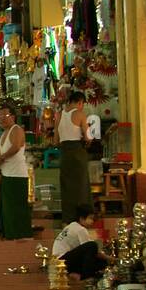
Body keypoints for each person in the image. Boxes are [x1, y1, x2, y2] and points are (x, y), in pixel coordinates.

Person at [0, 102, 32, 240]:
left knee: (17, 206)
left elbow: (15, 147)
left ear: (13, 117)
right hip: (6, 173)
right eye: (0, 115)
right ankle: (8, 233)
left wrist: (1, 158)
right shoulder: (4, 134)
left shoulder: (17, 130)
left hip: (17, 175)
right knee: (7, 208)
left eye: (5, 115)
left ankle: (20, 234)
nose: (2, 118)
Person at [58, 89, 92, 224]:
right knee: (81, 185)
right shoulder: (80, 114)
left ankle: (67, 218)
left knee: (67, 186)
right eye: (82, 103)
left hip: (65, 153)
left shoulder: (59, 115)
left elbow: (55, 140)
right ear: (79, 102)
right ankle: (83, 217)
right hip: (78, 152)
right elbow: (88, 137)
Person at [53, 204, 107, 279]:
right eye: (90, 218)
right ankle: (85, 277)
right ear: (81, 219)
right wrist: (108, 258)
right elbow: (91, 250)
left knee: (101, 262)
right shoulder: (80, 229)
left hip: (61, 261)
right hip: (63, 261)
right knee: (92, 245)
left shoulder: (72, 226)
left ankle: (74, 273)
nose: (92, 221)